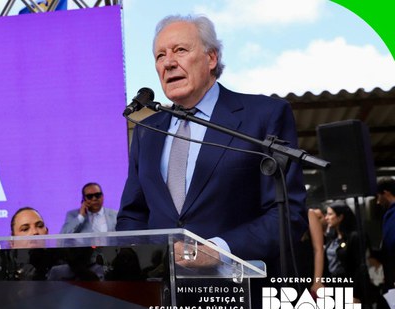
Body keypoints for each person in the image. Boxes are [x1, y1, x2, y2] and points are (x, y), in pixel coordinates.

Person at [116, 14, 306, 271]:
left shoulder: (264, 116)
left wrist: (219, 250)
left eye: (180, 50)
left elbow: (287, 215)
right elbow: (133, 215)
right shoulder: (147, 131)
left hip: (238, 296)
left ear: (211, 58)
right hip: (163, 297)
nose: (168, 63)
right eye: (160, 56)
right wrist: (144, 258)